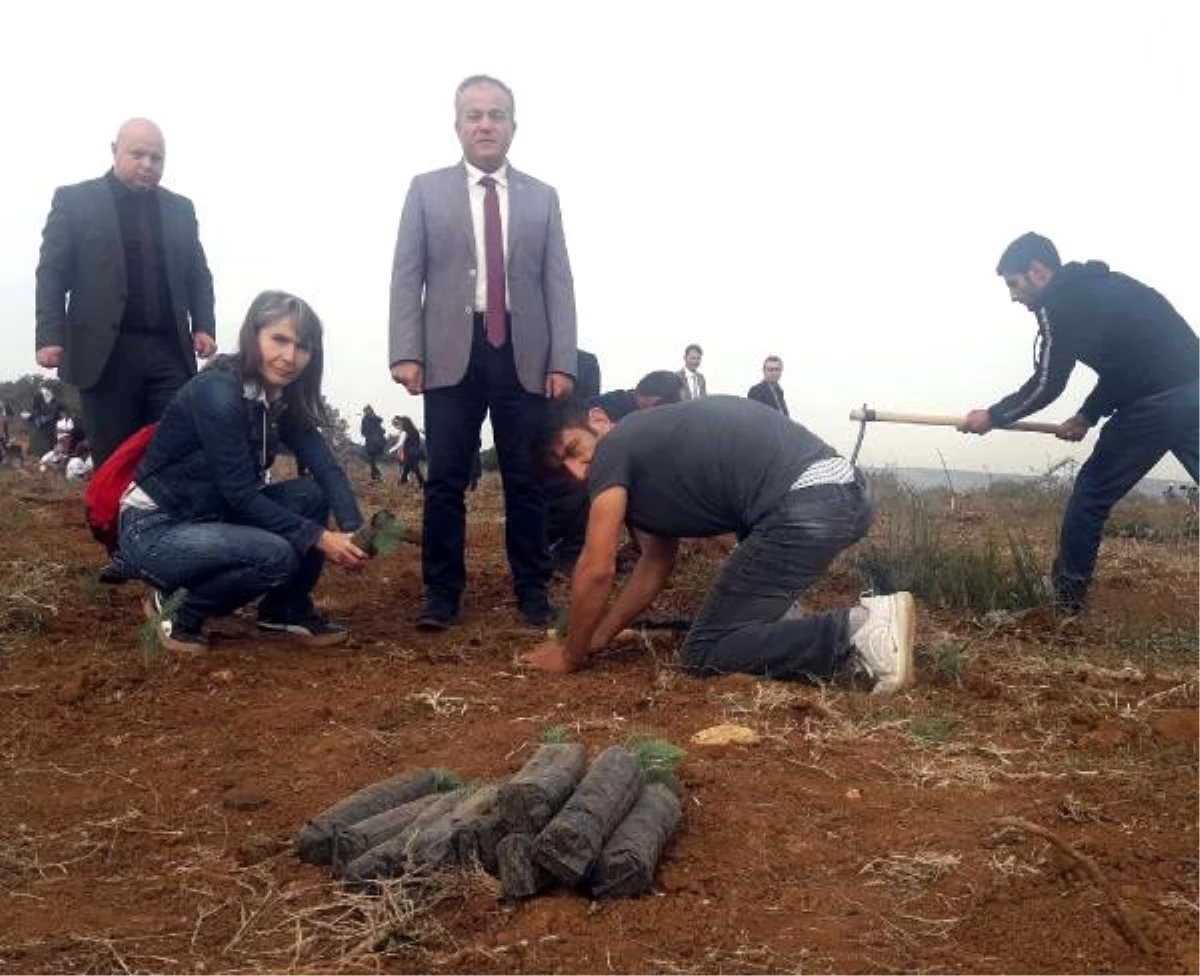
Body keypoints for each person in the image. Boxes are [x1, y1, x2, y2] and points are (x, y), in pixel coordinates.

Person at [523, 396, 915, 692]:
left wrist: (570, 654)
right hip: (842, 494)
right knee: (744, 627)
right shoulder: (648, 458)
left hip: (808, 500)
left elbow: (597, 568)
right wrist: (598, 637)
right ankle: (794, 625)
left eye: (573, 451)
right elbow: (654, 564)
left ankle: (860, 631)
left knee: (705, 651)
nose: (578, 473)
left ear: (597, 419)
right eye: (564, 469)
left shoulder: (615, 446)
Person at [389, 74, 578, 630]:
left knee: (526, 475)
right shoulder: (425, 190)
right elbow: (407, 275)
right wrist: (407, 350)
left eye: (497, 114)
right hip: (451, 351)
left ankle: (532, 590)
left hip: (523, 352)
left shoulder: (543, 197)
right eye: (474, 115)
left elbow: (558, 282)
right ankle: (442, 594)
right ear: (458, 126)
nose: (486, 124)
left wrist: (562, 360)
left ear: (513, 127)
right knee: (446, 477)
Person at [959, 232, 1200, 612]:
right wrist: (1088, 414)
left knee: (1090, 494)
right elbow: (1130, 362)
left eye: (1014, 284)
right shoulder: (1101, 288)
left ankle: (1065, 601)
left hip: (1158, 400)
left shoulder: (1061, 304)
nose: (1013, 296)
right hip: (1192, 387)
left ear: (1038, 272)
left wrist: (993, 415)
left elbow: (1047, 383)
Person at [116, 291, 367, 654]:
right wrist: (320, 538)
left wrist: (353, 529)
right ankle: (175, 609)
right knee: (275, 554)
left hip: (214, 518)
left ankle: (285, 610)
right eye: (279, 340)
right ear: (254, 335)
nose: (290, 357)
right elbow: (240, 496)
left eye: (303, 346)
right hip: (157, 527)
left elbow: (326, 466)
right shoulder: (218, 391)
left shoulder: (277, 400)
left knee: (311, 496)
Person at [35, 118, 216, 466]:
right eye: (138, 154)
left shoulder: (180, 209)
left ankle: (164, 520)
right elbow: (53, 272)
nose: (147, 165)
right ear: (115, 151)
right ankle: (114, 521)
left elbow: (197, 273)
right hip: (106, 354)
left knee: (175, 452)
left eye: (156, 158)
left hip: (169, 351)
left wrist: (203, 325)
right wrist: (49, 336)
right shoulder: (74, 201)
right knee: (115, 459)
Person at [28, 387, 62, 458]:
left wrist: (42, 419)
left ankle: (50, 457)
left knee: (50, 444)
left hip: (48, 429)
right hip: (46, 430)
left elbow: (55, 416)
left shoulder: (48, 405)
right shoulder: (43, 406)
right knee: (48, 445)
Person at [394, 416, 426, 487]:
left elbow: (414, 443)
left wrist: (410, 451)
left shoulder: (412, 432)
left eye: (402, 423)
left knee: (413, 468)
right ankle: (403, 481)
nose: (401, 424)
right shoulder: (409, 431)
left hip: (412, 453)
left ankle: (421, 482)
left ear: (406, 423)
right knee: (408, 467)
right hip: (411, 452)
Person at [360, 405, 386, 482]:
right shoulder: (373, 418)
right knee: (372, 459)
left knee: (372, 459)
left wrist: (368, 433)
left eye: (366, 411)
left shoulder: (367, 419)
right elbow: (363, 431)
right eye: (365, 411)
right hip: (375, 442)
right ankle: (375, 476)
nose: (365, 412)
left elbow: (363, 431)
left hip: (374, 442)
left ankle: (376, 476)